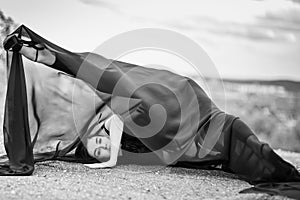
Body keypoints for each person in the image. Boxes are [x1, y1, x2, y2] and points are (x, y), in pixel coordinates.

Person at [2, 25, 300, 198]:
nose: (100, 142)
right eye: (100, 147)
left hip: (197, 115)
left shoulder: (146, 105)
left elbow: (108, 76)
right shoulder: (133, 135)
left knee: (126, 87)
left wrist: (47, 56)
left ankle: (51, 56)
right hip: (190, 128)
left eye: (98, 140)